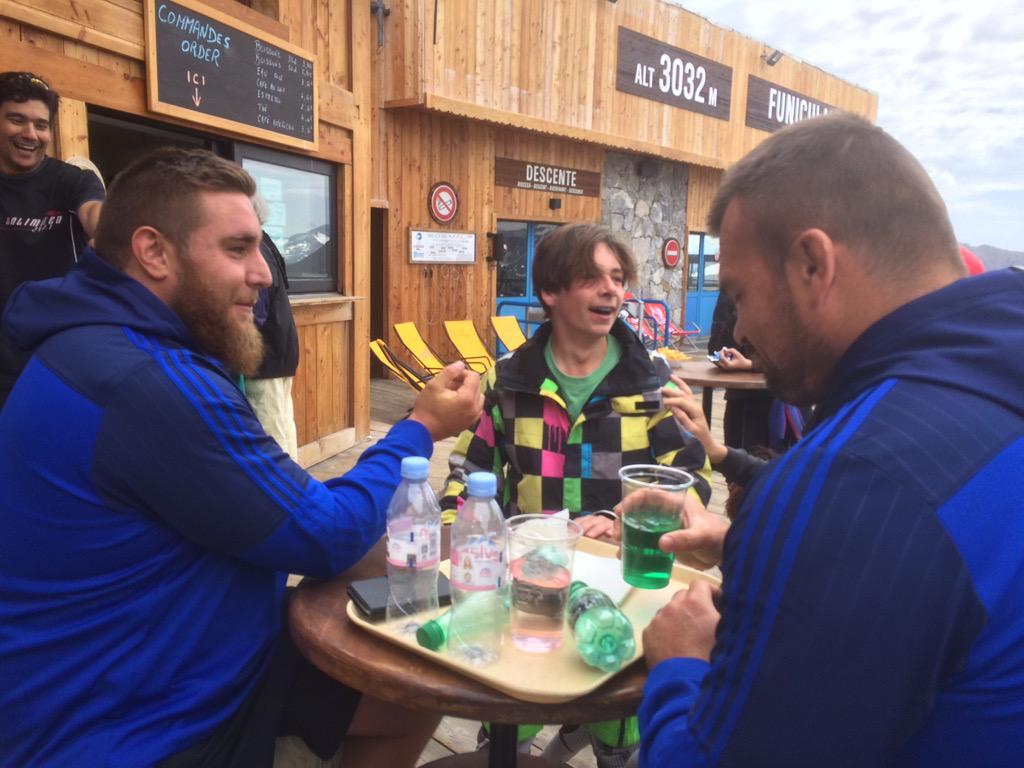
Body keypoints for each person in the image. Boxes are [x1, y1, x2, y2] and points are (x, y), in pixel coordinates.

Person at [0, 147, 484, 767]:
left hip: (154, 657)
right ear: (153, 252)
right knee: (414, 661)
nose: (264, 275)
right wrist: (419, 428)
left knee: (402, 680)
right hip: (130, 725)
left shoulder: (90, 342)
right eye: (237, 249)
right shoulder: (147, 381)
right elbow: (327, 534)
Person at [632, 112, 1024, 766]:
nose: (740, 330)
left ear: (813, 264)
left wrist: (678, 666)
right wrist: (750, 540)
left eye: (740, 295)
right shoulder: (993, 379)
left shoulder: (859, 478)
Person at [440, 222, 712, 766]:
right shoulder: (509, 380)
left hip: (625, 587)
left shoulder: (653, 381)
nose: (612, 290)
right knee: (509, 728)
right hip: (528, 588)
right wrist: (453, 530)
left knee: (619, 734)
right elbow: (470, 469)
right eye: (592, 278)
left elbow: (690, 478)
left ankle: (591, 739)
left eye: (618, 277)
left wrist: (621, 518)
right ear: (550, 291)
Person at [0, 71, 105, 408]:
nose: (30, 134)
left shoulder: (72, 181)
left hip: (59, 364)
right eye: (17, 120)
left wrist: (111, 233)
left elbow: (95, 213)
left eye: (41, 125)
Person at [246, 193, 300, 458]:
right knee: (282, 426)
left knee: (272, 434)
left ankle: (283, 483)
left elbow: (256, 310)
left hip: (265, 359)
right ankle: (291, 480)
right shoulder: (264, 241)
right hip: (278, 354)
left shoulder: (255, 247)